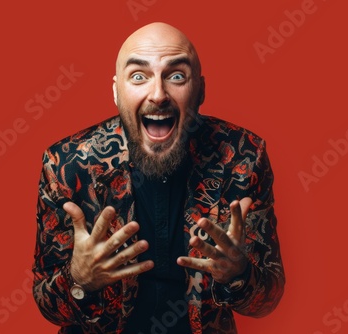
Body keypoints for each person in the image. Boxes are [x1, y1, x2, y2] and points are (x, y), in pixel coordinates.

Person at [32, 22, 285, 334]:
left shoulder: (244, 156)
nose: (159, 94)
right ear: (115, 91)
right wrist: (79, 279)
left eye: (176, 76)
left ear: (201, 90)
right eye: (139, 76)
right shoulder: (66, 165)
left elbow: (267, 301)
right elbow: (49, 308)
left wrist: (239, 273)